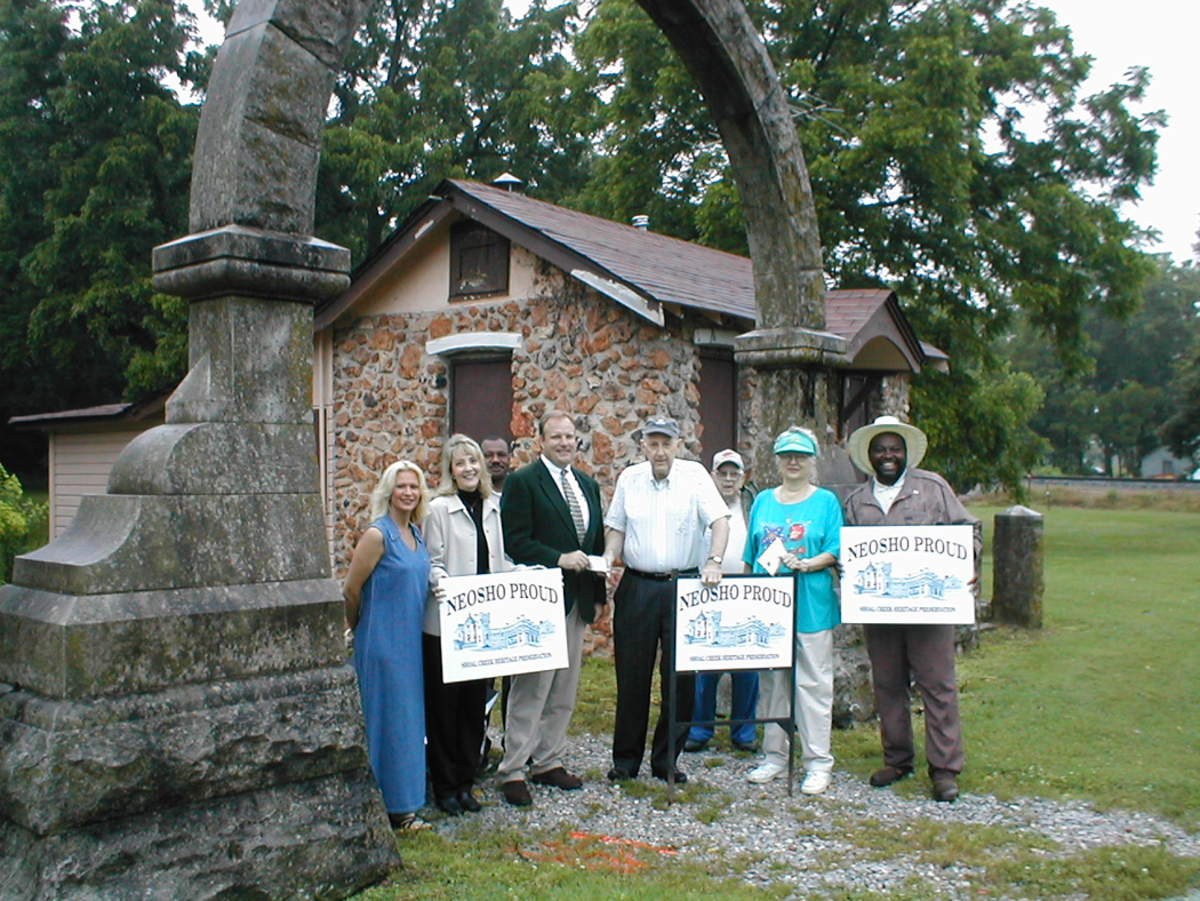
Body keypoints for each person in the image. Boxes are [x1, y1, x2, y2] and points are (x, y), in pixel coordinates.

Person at [843, 415, 982, 803]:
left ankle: (944, 769)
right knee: (888, 685)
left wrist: (969, 562)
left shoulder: (933, 488)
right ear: (869, 455)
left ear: (905, 453)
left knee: (937, 685)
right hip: (880, 611)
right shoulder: (856, 501)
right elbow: (847, 553)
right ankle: (898, 759)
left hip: (930, 608)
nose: (887, 455)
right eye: (880, 449)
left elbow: (969, 529)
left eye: (894, 449)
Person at [603, 415, 730, 783]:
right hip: (637, 586)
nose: (660, 451)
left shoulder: (695, 476)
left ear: (678, 445)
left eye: (666, 444)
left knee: (680, 678)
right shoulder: (630, 478)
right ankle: (626, 760)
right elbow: (617, 527)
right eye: (653, 444)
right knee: (631, 676)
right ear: (643, 445)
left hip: (684, 586)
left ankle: (667, 760)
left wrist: (714, 561)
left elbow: (720, 521)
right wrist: (608, 556)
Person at [497, 412, 606, 807]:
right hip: (539, 602)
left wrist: (598, 594)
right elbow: (514, 541)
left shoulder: (587, 485)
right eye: (556, 436)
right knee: (532, 688)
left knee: (564, 687)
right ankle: (513, 768)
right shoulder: (524, 482)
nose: (564, 443)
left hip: (577, 599)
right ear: (540, 440)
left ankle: (548, 760)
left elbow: (595, 543)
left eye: (570, 436)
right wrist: (558, 558)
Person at [742, 427, 843, 794]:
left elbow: (836, 548)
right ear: (778, 460)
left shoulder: (826, 502)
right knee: (772, 683)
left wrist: (809, 563)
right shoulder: (763, 501)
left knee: (813, 683)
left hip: (811, 604)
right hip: (769, 607)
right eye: (787, 455)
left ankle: (817, 762)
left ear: (812, 459)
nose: (793, 461)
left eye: (800, 455)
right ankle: (774, 755)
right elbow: (752, 555)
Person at [423, 434, 513, 815]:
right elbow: (432, 561)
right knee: (445, 709)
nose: (469, 468)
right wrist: (439, 580)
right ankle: (444, 786)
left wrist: (527, 574)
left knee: (475, 707)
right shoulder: (438, 509)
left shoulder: (495, 506)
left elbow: (501, 560)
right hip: (445, 626)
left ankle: (465, 782)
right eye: (460, 463)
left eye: (473, 461)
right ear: (451, 469)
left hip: (484, 627)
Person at [343, 460, 434, 831]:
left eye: (414, 486)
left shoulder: (415, 534)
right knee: (387, 723)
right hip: (381, 642)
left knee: (408, 724)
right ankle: (386, 806)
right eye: (401, 486)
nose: (408, 493)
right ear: (388, 491)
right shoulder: (377, 535)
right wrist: (360, 628)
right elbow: (351, 589)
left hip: (411, 642)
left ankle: (405, 802)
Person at [685, 449, 760, 754]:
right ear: (712, 476)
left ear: (743, 478)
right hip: (706, 594)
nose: (728, 480)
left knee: (748, 667)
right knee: (704, 667)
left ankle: (744, 731)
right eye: (722, 473)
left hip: (747, 593)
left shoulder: (753, 507)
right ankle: (700, 729)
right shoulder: (699, 506)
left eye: (734, 474)